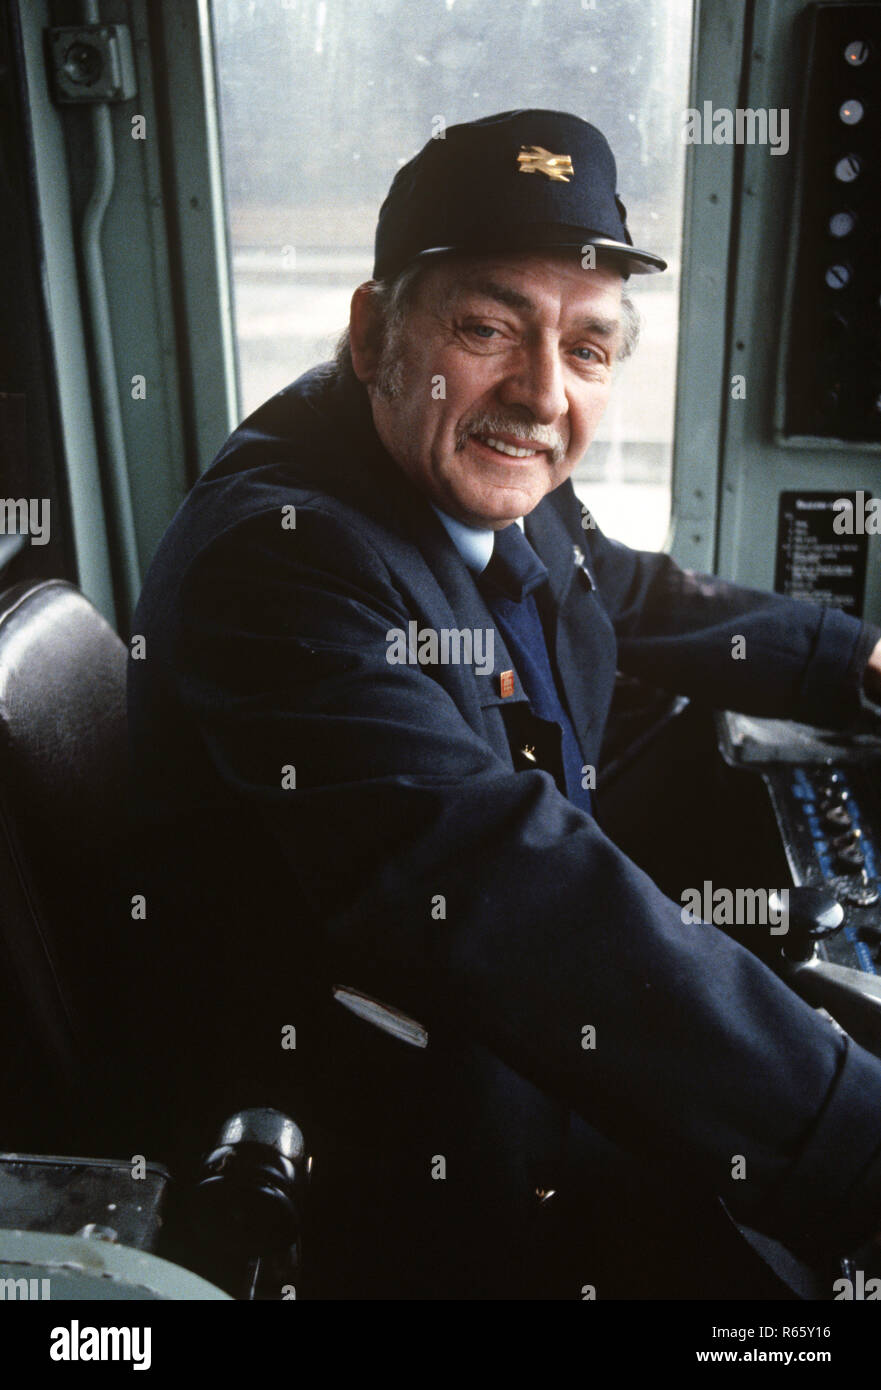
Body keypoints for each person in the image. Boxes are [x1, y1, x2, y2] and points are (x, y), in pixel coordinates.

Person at [127, 110, 881, 1300]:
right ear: (375, 331)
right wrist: (852, 1139)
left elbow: (631, 589)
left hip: (502, 1037)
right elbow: (501, 880)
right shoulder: (279, 563)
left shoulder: (468, 464)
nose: (539, 393)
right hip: (403, 1142)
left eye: (585, 349)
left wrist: (854, 659)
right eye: (486, 327)